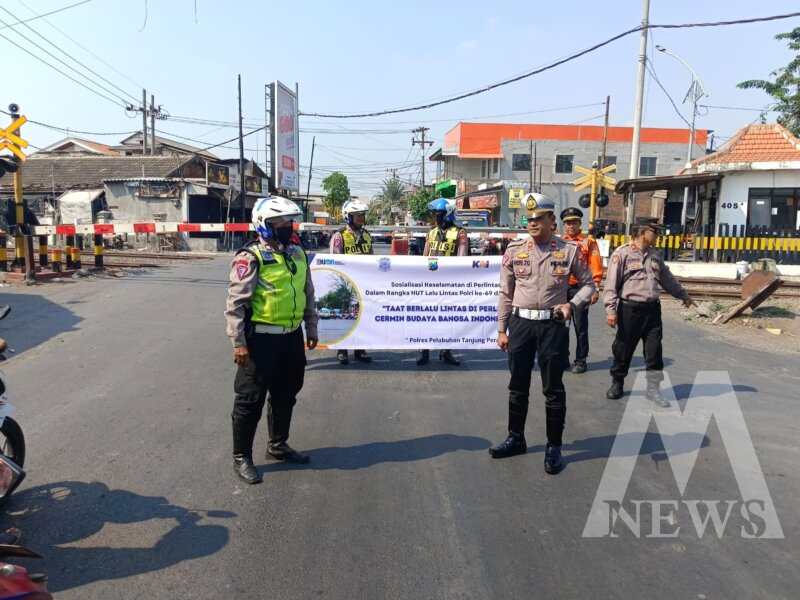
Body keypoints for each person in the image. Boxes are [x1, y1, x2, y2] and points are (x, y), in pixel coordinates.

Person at [491, 193, 596, 474]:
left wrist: (571, 305)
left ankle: (553, 447)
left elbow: (589, 285)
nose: (533, 223)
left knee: (553, 388)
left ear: (552, 220)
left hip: (552, 325)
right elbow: (505, 292)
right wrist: (502, 328)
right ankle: (516, 438)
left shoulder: (569, 251)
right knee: (517, 386)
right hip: (521, 325)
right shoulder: (514, 251)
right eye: (529, 219)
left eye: (539, 218)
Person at [224, 195, 318, 484]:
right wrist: (238, 342)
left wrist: (311, 326)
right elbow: (236, 304)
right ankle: (242, 457)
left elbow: (307, 291)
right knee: (250, 399)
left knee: (286, 393)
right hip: (259, 342)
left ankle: (278, 444)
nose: (288, 227)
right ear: (264, 225)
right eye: (281, 223)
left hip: (290, 339)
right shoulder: (250, 257)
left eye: (290, 222)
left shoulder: (297, 252)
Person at [603, 217, 695, 406]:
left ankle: (653, 390)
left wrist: (683, 295)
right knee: (623, 349)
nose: (658, 235)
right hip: (629, 310)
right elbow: (611, 285)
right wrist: (610, 311)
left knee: (654, 352)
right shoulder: (622, 254)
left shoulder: (655, 255)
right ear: (643, 232)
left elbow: (667, 279)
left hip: (652, 311)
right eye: (655, 232)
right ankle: (617, 383)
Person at [418, 197, 468, 366]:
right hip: (430, 283)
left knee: (448, 319)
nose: (435, 218)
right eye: (435, 214)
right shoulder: (431, 233)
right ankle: (424, 351)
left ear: (447, 214)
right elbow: (425, 257)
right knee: (425, 318)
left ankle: (446, 351)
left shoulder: (460, 233)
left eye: (438, 214)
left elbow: (461, 258)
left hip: (449, 284)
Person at [559, 207, 603, 374]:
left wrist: (595, 289)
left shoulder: (588, 243)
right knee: (561, 326)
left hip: (580, 289)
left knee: (580, 327)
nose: (570, 226)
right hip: (561, 290)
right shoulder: (558, 242)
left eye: (573, 222)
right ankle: (562, 358)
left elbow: (595, 266)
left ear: (579, 224)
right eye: (567, 223)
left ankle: (581, 360)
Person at [329, 199, 373, 365]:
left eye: (363, 215)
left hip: (363, 284)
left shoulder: (367, 235)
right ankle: (342, 350)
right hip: (346, 284)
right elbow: (335, 263)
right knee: (345, 316)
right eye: (358, 215)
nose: (361, 218)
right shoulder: (339, 236)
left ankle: (360, 349)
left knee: (362, 317)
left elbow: (372, 259)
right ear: (348, 217)